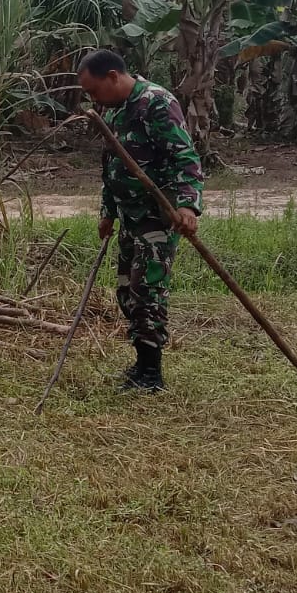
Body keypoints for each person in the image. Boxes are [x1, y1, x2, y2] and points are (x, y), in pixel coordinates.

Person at [76, 49, 204, 392]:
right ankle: (141, 364)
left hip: (157, 217)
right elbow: (112, 165)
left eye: (93, 90)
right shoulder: (115, 110)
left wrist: (188, 207)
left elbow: (185, 158)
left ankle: (152, 374)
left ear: (113, 77)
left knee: (147, 291)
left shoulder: (157, 103)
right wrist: (108, 211)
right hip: (130, 217)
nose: (93, 99)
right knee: (126, 292)